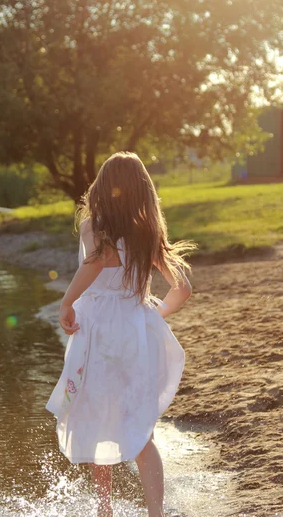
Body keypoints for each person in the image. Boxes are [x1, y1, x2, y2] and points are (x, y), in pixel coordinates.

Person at [46, 152, 195, 517]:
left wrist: (67, 303)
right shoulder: (147, 232)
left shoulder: (93, 226)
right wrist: (151, 315)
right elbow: (183, 289)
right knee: (140, 425)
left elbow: (96, 262)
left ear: (101, 187)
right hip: (135, 330)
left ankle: (104, 508)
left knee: (99, 414)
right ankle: (155, 513)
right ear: (143, 190)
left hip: (97, 331)